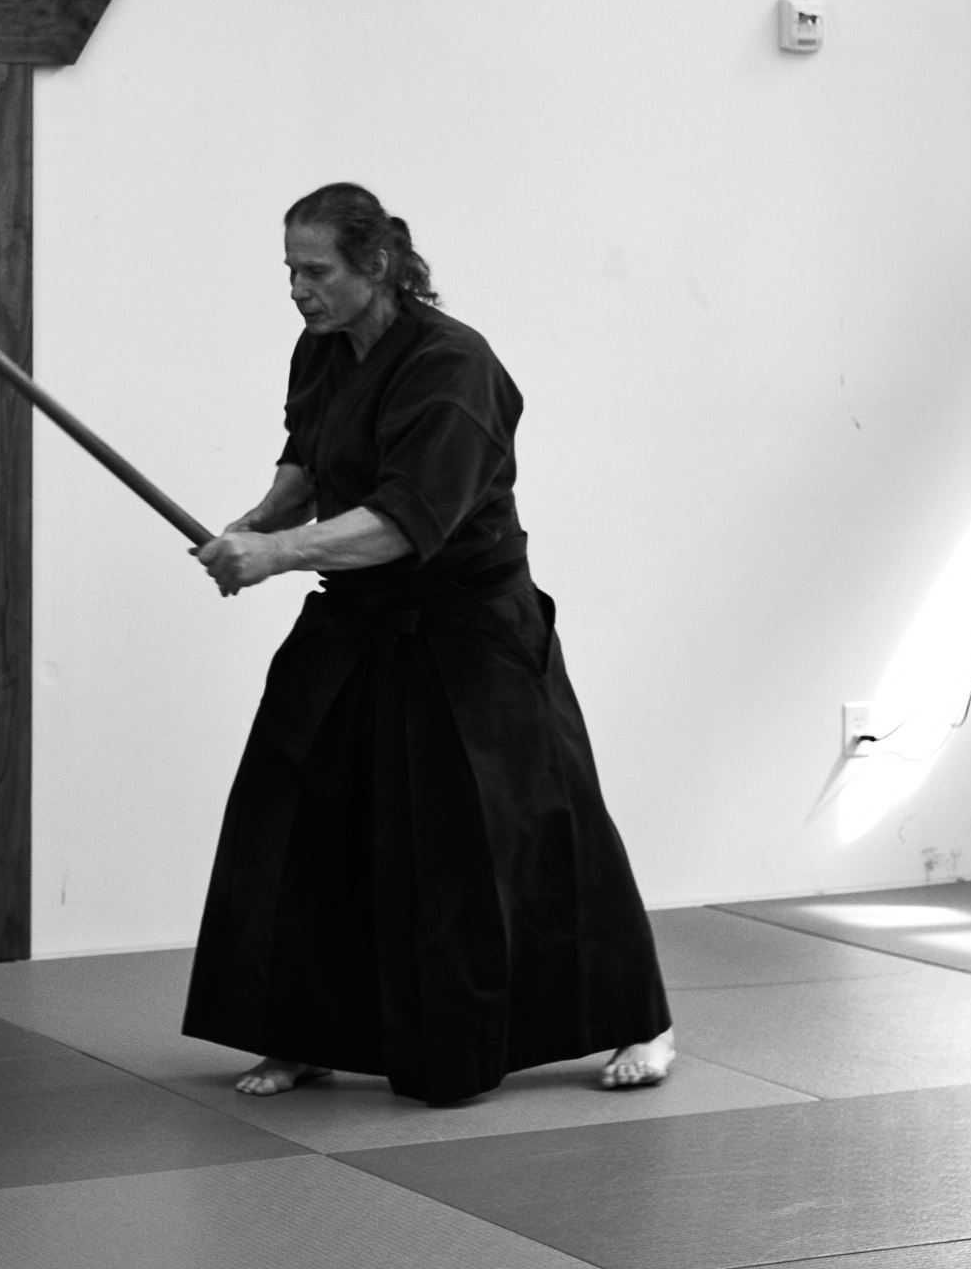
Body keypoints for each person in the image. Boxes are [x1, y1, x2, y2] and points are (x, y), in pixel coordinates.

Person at [182, 184, 675, 1105]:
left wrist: (276, 556)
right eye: (289, 269)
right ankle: (303, 1031)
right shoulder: (322, 346)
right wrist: (251, 527)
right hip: (360, 616)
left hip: (470, 625)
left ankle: (636, 1017)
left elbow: (406, 522)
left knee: (525, 826)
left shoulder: (454, 365)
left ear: (377, 265)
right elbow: (308, 464)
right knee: (296, 805)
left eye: (315, 270)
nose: (297, 289)